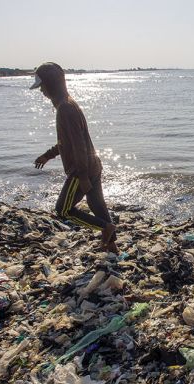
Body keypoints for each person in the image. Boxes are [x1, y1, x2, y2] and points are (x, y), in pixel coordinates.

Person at [30, 62, 118, 253]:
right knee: (97, 205)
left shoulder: (65, 109)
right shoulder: (67, 104)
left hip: (81, 169)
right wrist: (48, 155)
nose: (41, 91)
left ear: (51, 84)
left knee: (63, 210)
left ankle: (105, 228)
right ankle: (112, 247)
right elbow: (66, 142)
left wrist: (83, 176)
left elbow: (78, 145)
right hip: (92, 164)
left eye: (43, 86)